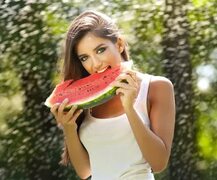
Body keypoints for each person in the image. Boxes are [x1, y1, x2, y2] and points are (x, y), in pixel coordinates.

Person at [50, 10, 175, 180]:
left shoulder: (156, 87)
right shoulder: (88, 101)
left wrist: (129, 109)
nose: (95, 63)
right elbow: (85, 171)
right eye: (84, 57)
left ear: (119, 44)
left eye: (100, 50)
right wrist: (69, 128)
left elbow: (159, 163)